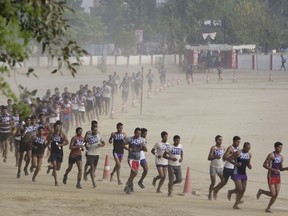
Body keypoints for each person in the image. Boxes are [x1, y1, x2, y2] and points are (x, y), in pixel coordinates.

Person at [256, 142, 288, 213]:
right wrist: (273, 169)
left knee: (276, 194)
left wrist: (285, 168)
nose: (280, 149)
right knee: (273, 194)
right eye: (279, 147)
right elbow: (264, 165)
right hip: (271, 175)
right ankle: (262, 191)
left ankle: (268, 207)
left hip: (277, 176)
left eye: (281, 147)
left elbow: (280, 168)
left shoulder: (281, 157)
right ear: (275, 147)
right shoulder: (271, 155)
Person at [227, 142, 252, 209]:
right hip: (236, 172)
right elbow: (229, 159)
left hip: (244, 173)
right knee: (240, 189)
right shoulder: (238, 153)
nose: (248, 149)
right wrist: (236, 164)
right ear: (243, 147)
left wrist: (249, 166)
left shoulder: (249, 154)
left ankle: (236, 204)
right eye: (247, 148)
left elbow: (248, 163)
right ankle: (231, 192)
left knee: (243, 190)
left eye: (249, 148)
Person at [123, 127, 147, 194]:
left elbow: (145, 149)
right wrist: (128, 149)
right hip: (131, 158)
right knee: (135, 172)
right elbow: (122, 144)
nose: (138, 134)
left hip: (138, 159)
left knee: (133, 173)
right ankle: (128, 184)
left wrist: (143, 148)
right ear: (134, 133)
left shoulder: (142, 140)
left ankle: (129, 184)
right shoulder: (129, 139)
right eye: (137, 133)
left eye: (140, 133)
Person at [46, 121, 68, 186]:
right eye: (56, 126)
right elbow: (47, 142)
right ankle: (56, 182)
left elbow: (67, 142)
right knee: (55, 166)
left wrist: (61, 144)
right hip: (53, 152)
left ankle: (50, 168)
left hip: (60, 152)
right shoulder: (52, 134)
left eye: (59, 126)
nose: (58, 128)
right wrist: (48, 147)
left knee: (58, 168)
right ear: (54, 127)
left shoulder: (62, 134)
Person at [207, 135, 225, 200]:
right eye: (219, 140)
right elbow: (209, 158)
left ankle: (215, 190)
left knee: (223, 180)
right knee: (213, 182)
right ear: (216, 140)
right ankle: (209, 194)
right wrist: (215, 156)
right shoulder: (213, 148)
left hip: (221, 167)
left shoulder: (223, 148)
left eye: (221, 140)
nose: (220, 141)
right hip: (213, 167)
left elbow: (224, 157)